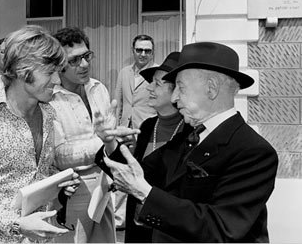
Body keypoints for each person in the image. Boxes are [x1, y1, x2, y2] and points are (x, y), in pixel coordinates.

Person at [95, 42, 279, 242]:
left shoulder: (253, 151)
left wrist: (146, 194)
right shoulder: (189, 137)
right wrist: (110, 142)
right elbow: (140, 173)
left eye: (180, 87)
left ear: (211, 89)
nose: (174, 98)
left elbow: (220, 228)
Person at [0, 25, 80, 244]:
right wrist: (15, 224)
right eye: (50, 72)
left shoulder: (49, 114)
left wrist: (59, 182)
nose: (58, 81)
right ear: (22, 70)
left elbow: (39, 172)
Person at [49, 27, 116, 243]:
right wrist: (104, 141)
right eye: (75, 60)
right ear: (59, 66)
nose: (85, 64)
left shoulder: (99, 89)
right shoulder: (50, 100)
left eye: (87, 56)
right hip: (72, 190)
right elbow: (59, 155)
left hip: (104, 186)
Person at [124, 51, 183, 243]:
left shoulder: (190, 131)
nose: (149, 88)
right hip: (138, 225)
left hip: (169, 231)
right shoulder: (148, 126)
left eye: (157, 84)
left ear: (177, 91)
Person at [113, 34, 158, 229]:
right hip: (125, 129)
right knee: (122, 169)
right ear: (133, 51)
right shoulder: (124, 72)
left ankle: (143, 215)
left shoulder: (157, 74)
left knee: (143, 172)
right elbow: (119, 102)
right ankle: (120, 218)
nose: (143, 54)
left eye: (147, 50)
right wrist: (115, 127)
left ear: (152, 52)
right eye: (139, 50)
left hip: (145, 130)